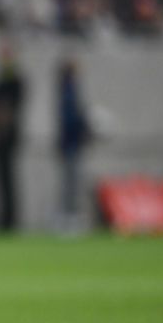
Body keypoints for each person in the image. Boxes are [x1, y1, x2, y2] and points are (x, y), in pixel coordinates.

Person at [0, 41, 24, 232]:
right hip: (3, 137)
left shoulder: (12, 81)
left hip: (6, 137)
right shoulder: (6, 80)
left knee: (6, 178)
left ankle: (8, 218)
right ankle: (6, 217)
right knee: (3, 179)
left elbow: (6, 109)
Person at [56, 58, 91, 229]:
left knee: (70, 182)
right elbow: (71, 119)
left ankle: (69, 217)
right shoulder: (69, 91)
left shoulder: (65, 90)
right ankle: (70, 219)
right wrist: (84, 127)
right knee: (71, 183)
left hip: (69, 143)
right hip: (72, 144)